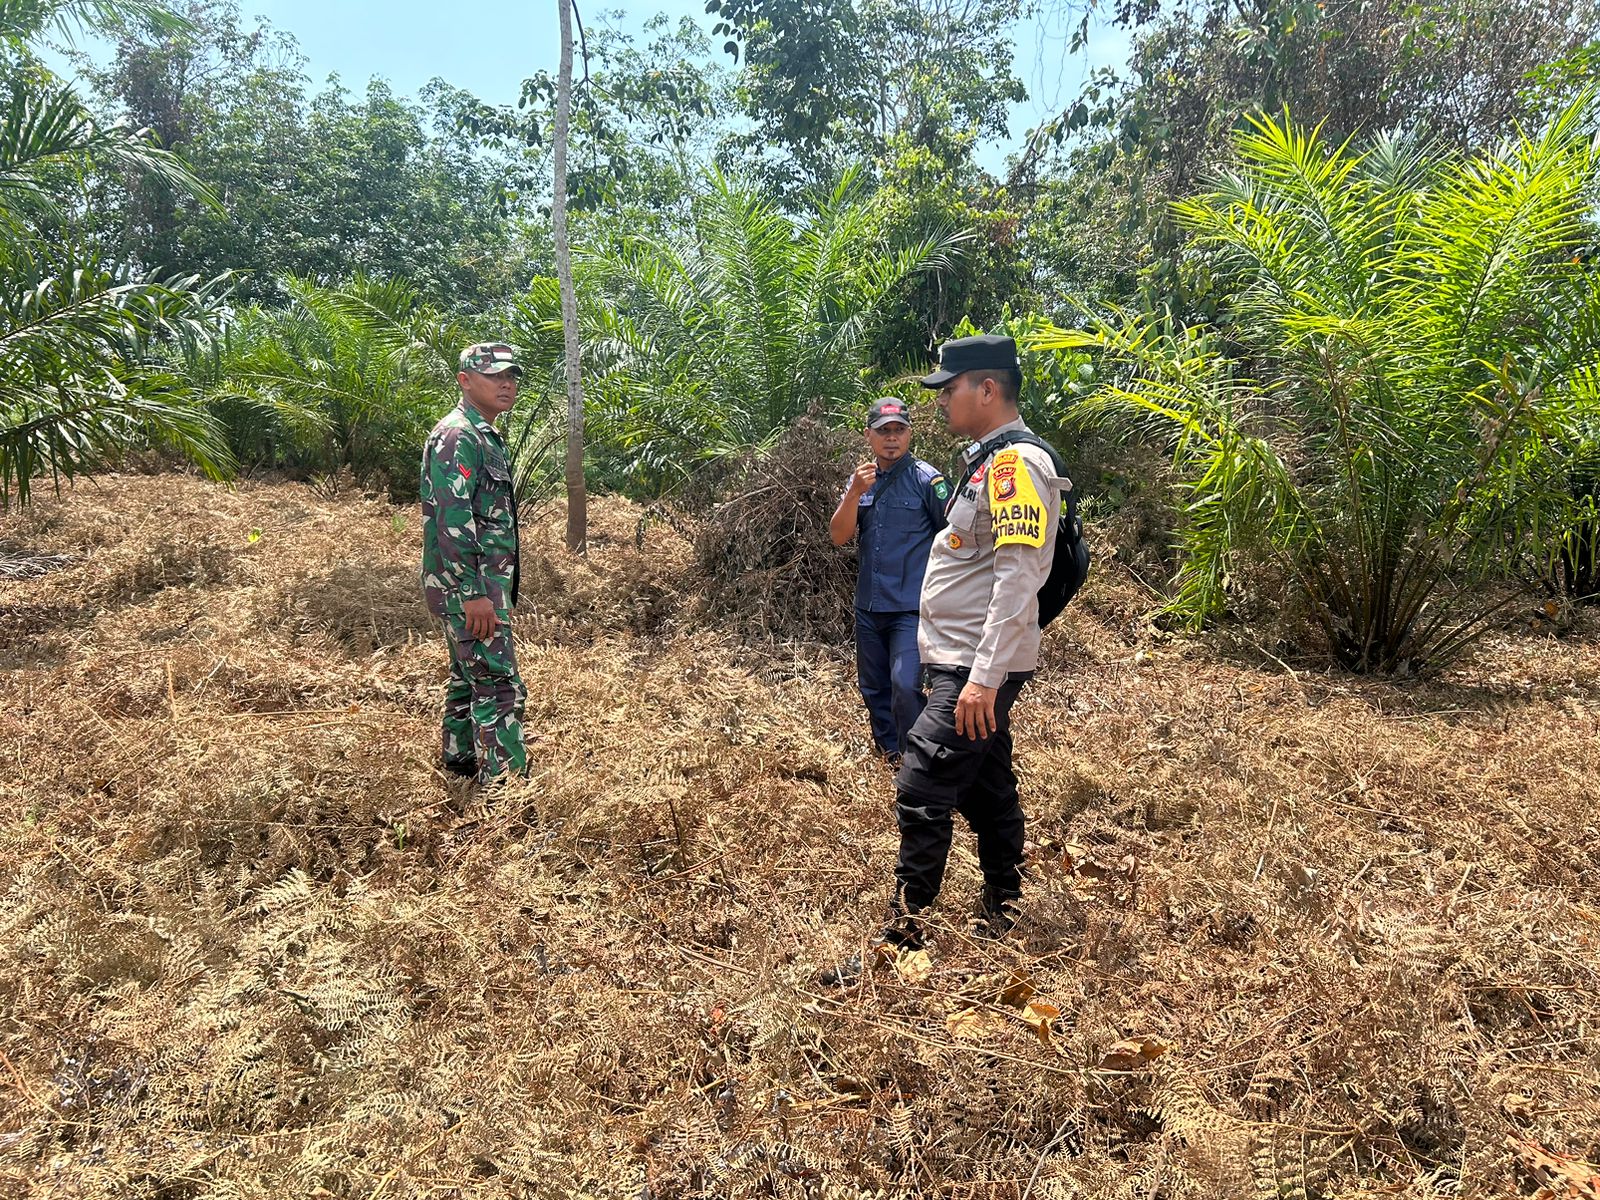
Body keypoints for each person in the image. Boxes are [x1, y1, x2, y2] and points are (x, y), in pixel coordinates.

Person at [883, 334, 1069, 949]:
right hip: (963, 658)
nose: (940, 401)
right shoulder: (989, 459)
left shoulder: (1016, 465)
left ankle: (904, 933)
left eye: (949, 388)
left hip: (974, 664)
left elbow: (1020, 578)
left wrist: (985, 677)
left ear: (986, 389)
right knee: (986, 784)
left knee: (923, 781)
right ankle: (1006, 905)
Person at [420, 342, 527, 784]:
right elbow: (452, 518)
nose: (506, 383)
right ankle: (508, 795)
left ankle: (460, 764)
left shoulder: (480, 432)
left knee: (469, 678)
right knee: (499, 687)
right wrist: (473, 593)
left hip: (473, 588)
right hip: (471, 590)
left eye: (511, 376)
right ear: (465, 381)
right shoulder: (459, 435)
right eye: (494, 375)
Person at [829, 397, 950, 763]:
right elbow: (838, 535)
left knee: (905, 685)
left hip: (910, 608)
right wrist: (853, 493)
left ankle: (918, 755)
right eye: (884, 431)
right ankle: (890, 754)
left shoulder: (929, 481)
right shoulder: (859, 482)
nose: (892, 438)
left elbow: (954, 538)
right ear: (869, 436)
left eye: (899, 430)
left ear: (910, 434)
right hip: (868, 605)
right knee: (873, 687)